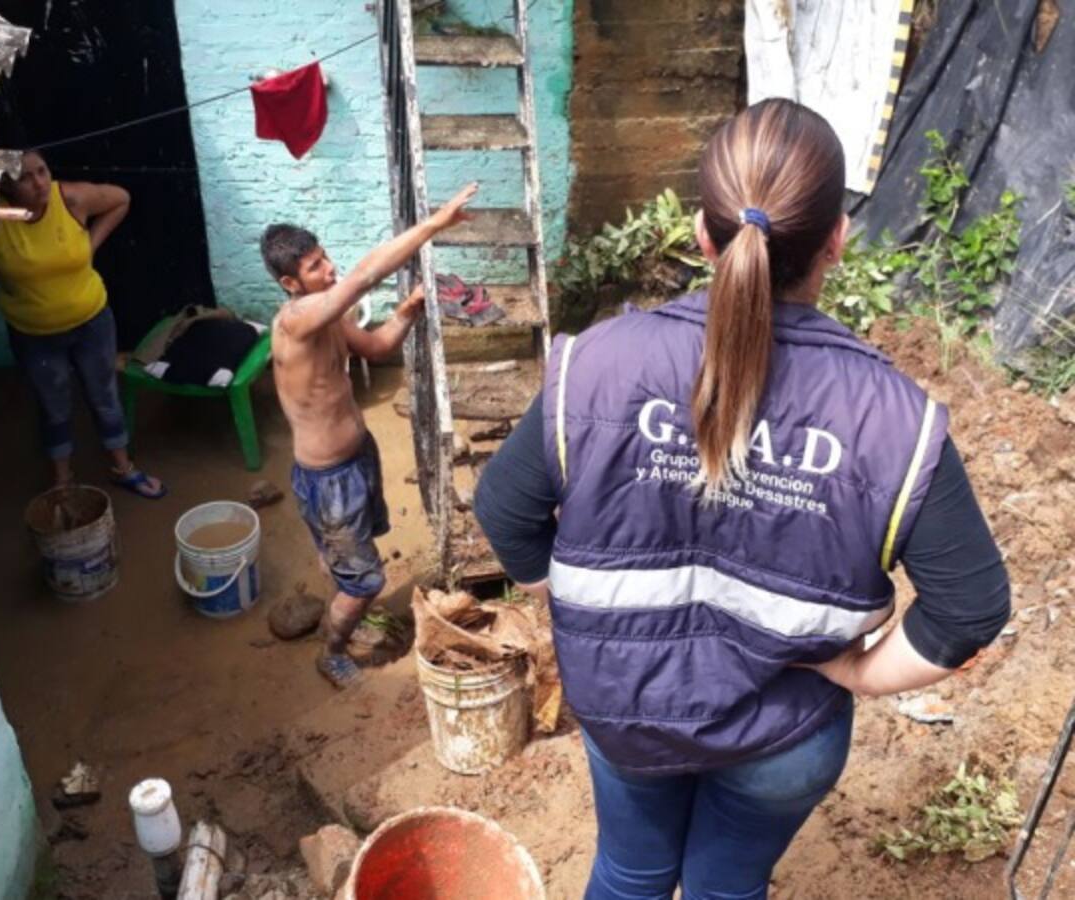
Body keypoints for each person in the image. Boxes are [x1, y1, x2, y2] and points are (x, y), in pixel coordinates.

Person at [474, 99, 1011, 899]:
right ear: (837, 240)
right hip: (785, 736)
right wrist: (861, 676)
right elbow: (969, 608)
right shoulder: (894, 424)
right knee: (727, 888)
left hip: (627, 711)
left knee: (630, 871)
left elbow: (503, 509)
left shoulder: (594, 368)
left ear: (700, 233)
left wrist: (571, 599)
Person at [263, 183, 477, 688]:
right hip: (328, 480)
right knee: (367, 581)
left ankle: (343, 594)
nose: (330, 269)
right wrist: (433, 226)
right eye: (315, 267)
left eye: (325, 257)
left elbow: (378, 346)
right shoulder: (296, 321)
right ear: (291, 283)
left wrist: (407, 311)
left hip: (357, 459)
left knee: (353, 557)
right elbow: (363, 276)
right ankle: (333, 651)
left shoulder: (328, 319)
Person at [0, 150, 165, 498]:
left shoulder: (70, 199)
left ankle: (123, 468)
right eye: (25, 177)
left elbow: (121, 199)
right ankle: (63, 479)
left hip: (91, 322)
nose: (39, 182)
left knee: (104, 396)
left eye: (42, 171)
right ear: (6, 184)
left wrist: (90, 245)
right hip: (34, 334)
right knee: (53, 404)